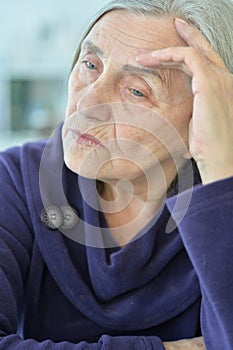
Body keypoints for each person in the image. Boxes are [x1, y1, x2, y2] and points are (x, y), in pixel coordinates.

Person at [0, 0, 233, 349]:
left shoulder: (221, 203)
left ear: (207, 115)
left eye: (137, 90)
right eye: (90, 65)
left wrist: (220, 169)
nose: (87, 106)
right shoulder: (15, 178)